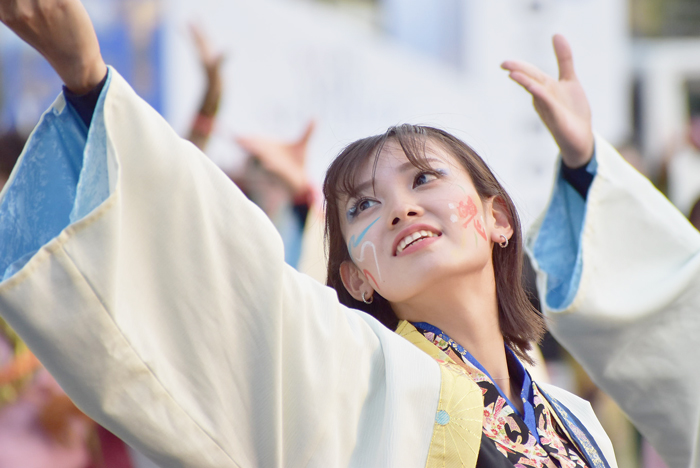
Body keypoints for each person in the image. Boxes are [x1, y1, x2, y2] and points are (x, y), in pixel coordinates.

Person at [0, 1, 697, 467]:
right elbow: (232, 279)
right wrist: (87, 78)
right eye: (361, 208)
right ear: (357, 276)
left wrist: (584, 166)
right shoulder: (357, 375)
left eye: (425, 181)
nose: (399, 209)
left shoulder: (576, 421)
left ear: (496, 217)